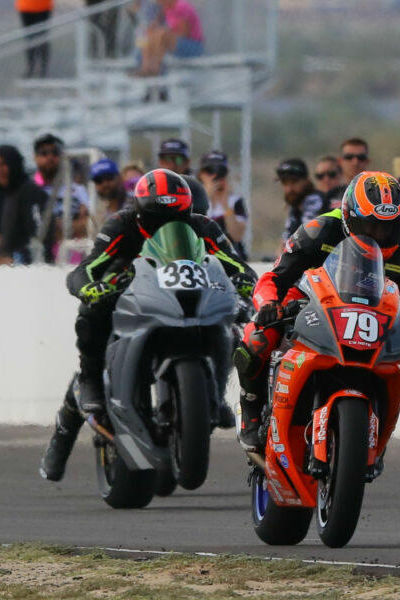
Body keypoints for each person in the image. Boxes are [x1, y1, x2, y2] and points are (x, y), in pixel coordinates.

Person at [40, 168, 254, 481]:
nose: (168, 225)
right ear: (140, 211)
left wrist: (246, 285)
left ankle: (215, 394)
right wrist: (90, 288)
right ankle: (90, 381)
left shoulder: (202, 226)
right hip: (130, 294)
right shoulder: (122, 224)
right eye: (157, 218)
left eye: (177, 216)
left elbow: (237, 265)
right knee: (91, 315)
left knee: (235, 323)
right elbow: (86, 269)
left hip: (186, 297)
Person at [232, 173, 400, 451]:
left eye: (388, 228)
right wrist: (268, 306)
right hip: (309, 302)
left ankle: (377, 426)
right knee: (258, 337)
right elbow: (273, 278)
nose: (378, 235)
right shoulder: (318, 230)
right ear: (349, 217)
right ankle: (251, 408)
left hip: (373, 317)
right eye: (369, 226)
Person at [33, 133, 89, 260]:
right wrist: (73, 226)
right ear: (35, 157)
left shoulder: (78, 190)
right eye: (44, 153)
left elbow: (88, 225)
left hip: (74, 255)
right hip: (40, 257)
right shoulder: (31, 191)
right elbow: (38, 230)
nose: (50, 157)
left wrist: (59, 227)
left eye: (55, 152)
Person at [133, 0, 204, 77]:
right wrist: (153, 27)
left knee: (161, 35)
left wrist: (164, 31)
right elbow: (156, 24)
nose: (158, 2)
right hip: (177, 44)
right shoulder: (167, 8)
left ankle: (154, 70)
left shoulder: (181, 6)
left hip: (193, 46)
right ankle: (146, 68)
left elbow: (184, 33)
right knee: (149, 36)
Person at [199, 151, 247, 256]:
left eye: (220, 172)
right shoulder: (194, 197)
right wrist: (205, 197)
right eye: (210, 171)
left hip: (230, 255)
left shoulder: (235, 201)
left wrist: (225, 205)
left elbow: (237, 236)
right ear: (201, 175)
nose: (215, 176)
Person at [274, 158, 325, 246]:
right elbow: (286, 240)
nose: (289, 189)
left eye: (294, 182)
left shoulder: (314, 200)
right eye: (285, 183)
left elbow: (306, 239)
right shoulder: (296, 205)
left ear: (307, 180)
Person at [328, 139, 370, 208]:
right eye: (349, 157)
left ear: (367, 161)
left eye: (361, 158)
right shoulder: (332, 194)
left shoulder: (377, 193)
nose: (355, 162)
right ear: (340, 161)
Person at [17, 0, 52, 79]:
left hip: (42, 7)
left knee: (41, 38)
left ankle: (42, 69)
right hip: (26, 6)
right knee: (30, 38)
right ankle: (32, 67)